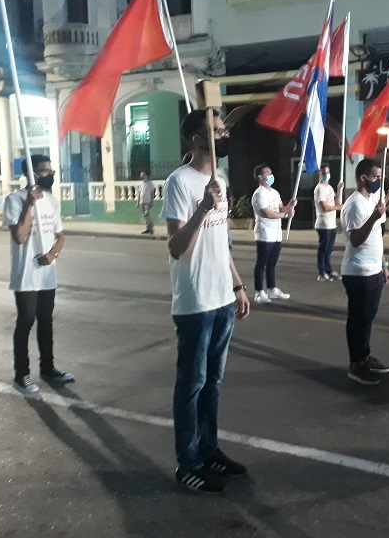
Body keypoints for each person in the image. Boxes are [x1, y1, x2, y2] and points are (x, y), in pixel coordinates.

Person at [163, 109, 251, 494]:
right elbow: (178, 247)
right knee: (192, 384)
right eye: (216, 130)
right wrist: (202, 207)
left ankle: (209, 449)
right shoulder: (178, 183)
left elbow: (222, 243)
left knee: (213, 382)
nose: (223, 133)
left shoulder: (222, 179)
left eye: (223, 128)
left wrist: (237, 285)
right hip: (195, 302)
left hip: (221, 299)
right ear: (196, 140)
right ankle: (188, 463)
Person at [2, 155, 73, 396]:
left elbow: (60, 236)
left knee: (46, 320)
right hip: (26, 275)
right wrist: (29, 205)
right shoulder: (14, 200)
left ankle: (48, 368)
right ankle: (21, 375)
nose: (49, 175)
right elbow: (19, 237)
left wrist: (52, 254)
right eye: (43, 171)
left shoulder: (52, 201)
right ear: (30, 174)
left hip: (46, 274)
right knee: (26, 321)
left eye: (50, 170)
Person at [340, 158, 389, 385]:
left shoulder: (371, 201)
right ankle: (356, 364)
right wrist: (373, 217)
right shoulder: (354, 205)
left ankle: (365, 355)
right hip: (358, 272)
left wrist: (384, 265)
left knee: (368, 318)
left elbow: (376, 237)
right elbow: (356, 240)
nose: (379, 181)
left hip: (374, 271)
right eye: (376, 177)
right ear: (363, 178)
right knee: (358, 319)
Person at [251, 163, 296, 304]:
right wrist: (286, 215)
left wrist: (290, 205)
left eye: (271, 173)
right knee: (262, 263)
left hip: (276, 234)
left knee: (272, 263)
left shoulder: (274, 192)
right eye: (267, 173)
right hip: (264, 234)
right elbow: (268, 213)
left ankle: (272, 288)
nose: (271, 176)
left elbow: (281, 208)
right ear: (260, 177)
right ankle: (259, 292)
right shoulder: (259, 194)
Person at [313, 165, 343, 281]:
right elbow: (324, 206)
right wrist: (337, 207)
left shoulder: (329, 187)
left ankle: (329, 270)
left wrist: (339, 190)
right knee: (323, 249)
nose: (326, 175)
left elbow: (336, 201)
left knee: (329, 249)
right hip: (323, 223)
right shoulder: (319, 188)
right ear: (319, 175)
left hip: (331, 223)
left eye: (328, 172)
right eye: (323, 173)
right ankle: (321, 272)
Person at [137, 171, 155, 235]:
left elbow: (152, 193)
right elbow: (139, 193)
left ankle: (151, 228)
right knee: (145, 216)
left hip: (147, 202)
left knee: (147, 215)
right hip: (142, 202)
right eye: (141, 175)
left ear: (146, 175)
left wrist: (151, 202)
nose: (142, 176)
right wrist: (138, 202)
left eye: (143, 175)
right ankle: (148, 228)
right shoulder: (141, 183)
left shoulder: (150, 183)